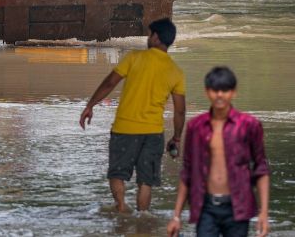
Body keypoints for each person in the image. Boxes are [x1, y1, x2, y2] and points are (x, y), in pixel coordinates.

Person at [80, 18, 186, 213]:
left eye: (149, 34)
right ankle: (142, 219)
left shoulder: (134, 58)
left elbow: (110, 83)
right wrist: (177, 138)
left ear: (156, 37)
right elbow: (180, 111)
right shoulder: (175, 71)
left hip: (125, 129)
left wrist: (90, 105)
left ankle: (121, 208)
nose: (148, 38)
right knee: (146, 181)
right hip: (153, 133)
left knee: (117, 174)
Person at [167, 67, 270, 237]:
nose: (220, 95)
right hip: (205, 206)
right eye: (215, 90)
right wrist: (176, 216)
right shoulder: (196, 126)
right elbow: (187, 172)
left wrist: (264, 213)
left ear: (233, 92)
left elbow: (261, 169)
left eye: (225, 90)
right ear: (207, 92)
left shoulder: (249, 125)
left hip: (238, 206)